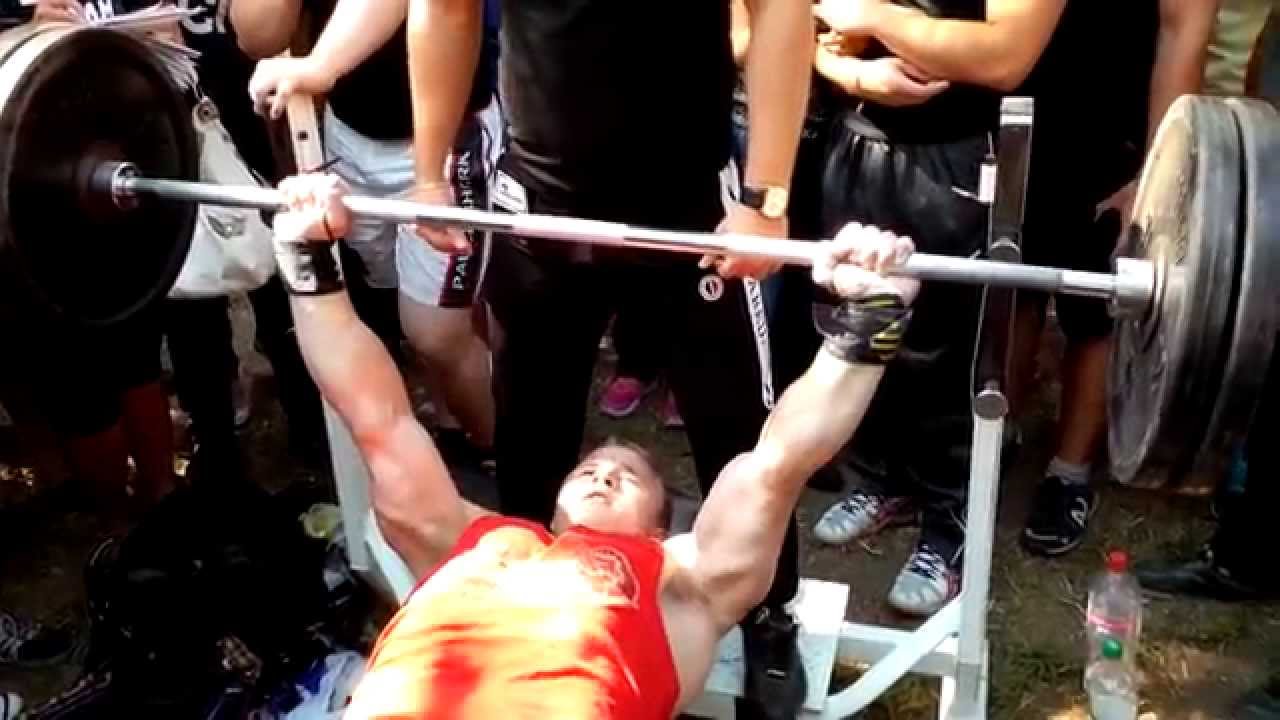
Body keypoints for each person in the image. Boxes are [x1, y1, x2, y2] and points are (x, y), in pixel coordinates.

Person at [270, 172, 918, 719]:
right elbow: (378, 420)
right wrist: (307, 261)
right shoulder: (464, 541)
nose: (603, 473)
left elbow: (778, 462)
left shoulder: (682, 592)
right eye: (590, 467)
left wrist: (867, 322)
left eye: (628, 476)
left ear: (660, 532)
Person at [404, 0, 813, 709]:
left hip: (691, 205)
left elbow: (781, 9)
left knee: (736, 426)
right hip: (540, 200)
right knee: (529, 423)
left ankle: (769, 611)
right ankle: (525, 594)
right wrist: (429, 174)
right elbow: (444, 8)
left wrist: (765, 198)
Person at [808, 0, 1064, 616]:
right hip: (858, 138)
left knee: (954, 352)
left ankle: (952, 524)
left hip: (965, 151)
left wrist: (875, 18)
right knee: (863, 324)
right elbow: (811, 32)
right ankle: (880, 480)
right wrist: (855, 75)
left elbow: (1005, 57)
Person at [237, 0, 503, 462]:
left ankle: (502, 457)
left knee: (435, 332)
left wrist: (321, 64)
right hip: (350, 129)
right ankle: (451, 426)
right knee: (402, 298)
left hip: (449, 137)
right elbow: (257, 36)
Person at [1013, 0, 1217, 558]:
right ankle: (996, 434)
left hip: (1118, 120)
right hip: (1023, 102)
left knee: (1102, 299)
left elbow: (1183, 33)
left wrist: (1156, 172)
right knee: (1011, 281)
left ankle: (1069, 472)